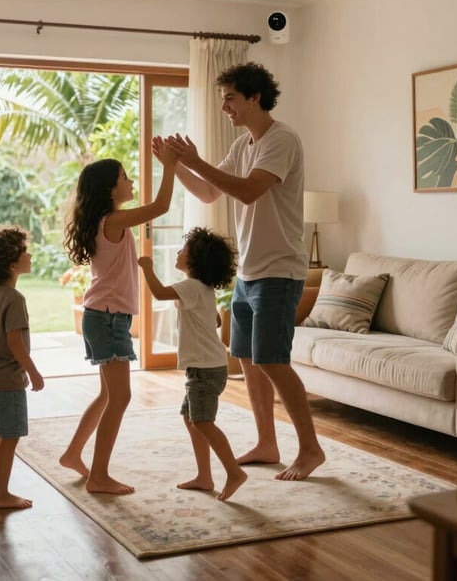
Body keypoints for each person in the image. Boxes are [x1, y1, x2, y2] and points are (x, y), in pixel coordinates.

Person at [166, 62, 325, 481]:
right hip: (251, 271)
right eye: (222, 98)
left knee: (273, 360)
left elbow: (250, 192)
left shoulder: (282, 140)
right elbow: (208, 190)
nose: (224, 107)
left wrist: (196, 159)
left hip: (280, 270)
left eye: (230, 97)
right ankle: (268, 442)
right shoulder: (243, 146)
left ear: (255, 97)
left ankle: (310, 449)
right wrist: (175, 164)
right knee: (248, 359)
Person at [59, 139, 179, 494]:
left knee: (107, 394)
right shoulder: (113, 219)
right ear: (110, 189)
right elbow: (161, 205)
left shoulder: (104, 220)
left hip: (106, 316)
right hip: (108, 318)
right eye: (125, 177)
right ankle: (98, 476)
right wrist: (170, 165)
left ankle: (72, 454)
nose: (130, 183)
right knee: (120, 397)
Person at [138, 227, 247, 501]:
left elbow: (160, 293)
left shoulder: (190, 287)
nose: (177, 252)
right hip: (206, 367)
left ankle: (234, 472)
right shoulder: (202, 289)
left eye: (183, 250)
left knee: (203, 421)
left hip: (204, 370)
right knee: (191, 419)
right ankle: (204, 476)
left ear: (195, 260)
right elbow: (211, 320)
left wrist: (147, 268)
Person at [0, 225, 45, 509]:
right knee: (10, 436)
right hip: (7, 379)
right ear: (13, 264)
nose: (30, 255)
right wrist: (33, 372)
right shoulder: (15, 299)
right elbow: (15, 342)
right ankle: (1, 494)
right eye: (25, 252)